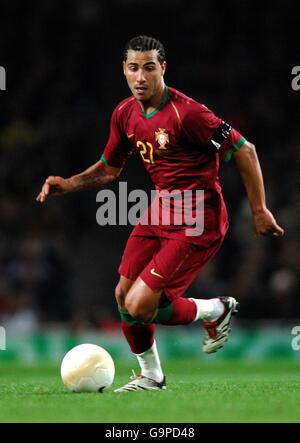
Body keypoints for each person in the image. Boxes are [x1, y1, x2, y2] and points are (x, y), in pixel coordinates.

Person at [37, 35, 284, 392]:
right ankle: (151, 376)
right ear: (124, 69)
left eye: (149, 68)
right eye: (133, 68)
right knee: (123, 296)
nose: (141, 76)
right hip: (160, 209)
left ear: (162, 69)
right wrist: (69, 184)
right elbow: (109, 170)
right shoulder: (124, 113)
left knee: (139, 305)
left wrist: (259, 210)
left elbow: (245, 151)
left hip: (198, 220)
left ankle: (216, 309)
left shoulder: (189, 113)